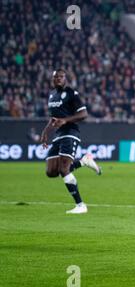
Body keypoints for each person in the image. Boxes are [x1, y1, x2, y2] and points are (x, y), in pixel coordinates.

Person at [40, 69, 102, 214]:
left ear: (65, 79)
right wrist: (45, 131)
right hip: (58, 135)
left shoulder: (71, 94)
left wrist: (65, 120)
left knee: (63, 169)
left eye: (61, 77)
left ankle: (81, 205)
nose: (59, 79)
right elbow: (53, 119)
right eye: (56, 77)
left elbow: (84, 113)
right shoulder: (52, 96)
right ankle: (84, 162)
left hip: (71, 133)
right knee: (50, 171)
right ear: (52, 80)